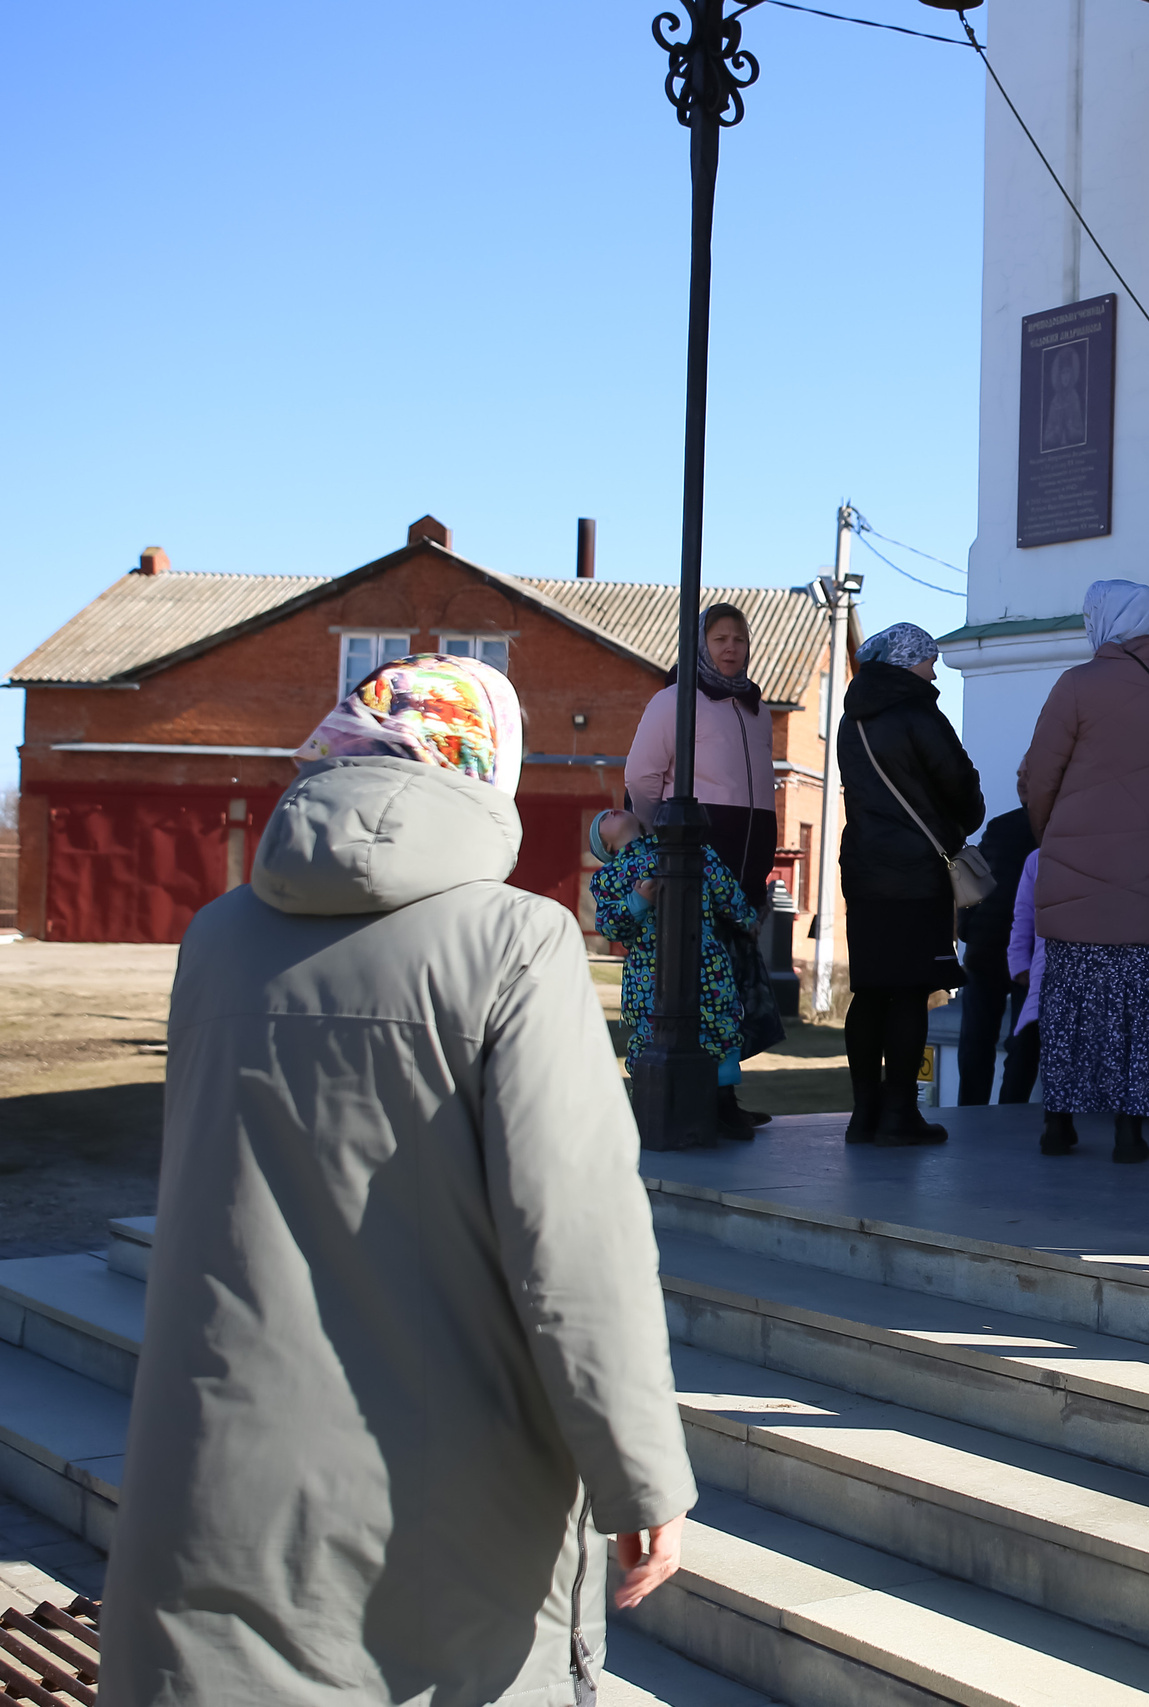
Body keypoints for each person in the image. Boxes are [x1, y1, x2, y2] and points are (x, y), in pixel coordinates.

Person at [103, 655, 695, 1707]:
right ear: (484, 766)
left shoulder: (216, 936)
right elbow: (575, 1241)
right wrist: (640, 1467)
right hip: (439, 1502)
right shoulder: (517, 942)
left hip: (211, 1475)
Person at [1017, 580, 1149, 1161]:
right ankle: (1130, 1133)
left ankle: (1059, 1124)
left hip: (1075, 872)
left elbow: (1037, 778)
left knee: (1071, 1003)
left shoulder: (1076, 685)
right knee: (1140, 1009)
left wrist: (1056, 838)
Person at [627, 602, 779, 1128]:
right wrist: (668, 845)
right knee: (702, 989)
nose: (731, 647)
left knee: (734, 989)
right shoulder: (674, 701)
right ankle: (701, 1103)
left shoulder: (758, 710)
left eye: (739, 638)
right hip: (697, 868)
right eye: (720, 639)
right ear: (700, 645)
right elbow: (642, 779)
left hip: (747, 869)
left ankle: (725, 1100)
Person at [837, 621, 984, 1145]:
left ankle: (862, 1114)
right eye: (928, 660)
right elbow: (959, 781)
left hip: (863, 869)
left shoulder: (850, 718)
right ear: (906, 662)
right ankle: (899, 1114)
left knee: (871, 990)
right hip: (916, 872)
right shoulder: (919, 711)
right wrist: (962, 819)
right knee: (910, 991)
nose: (933, 670)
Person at [588, 806, 762, 1141]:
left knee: (718, 1023)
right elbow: (609, 925)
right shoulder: (608, 876)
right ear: (607, 849)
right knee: (653, 1031)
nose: (609, 813)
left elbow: (724, 889)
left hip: (703, 958)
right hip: (648, 972)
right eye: (600, 823)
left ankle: (724, 1106)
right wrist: (638, 900)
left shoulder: (697, 852)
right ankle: (652, 1104)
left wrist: (746, 917)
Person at [956, 805, 1037, 1104]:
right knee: (1021, 1042)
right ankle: (1008, 1112)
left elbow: (975, 876)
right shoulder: (1054, 828)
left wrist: (969, 928)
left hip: (990, 947)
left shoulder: (1002, 826)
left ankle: (973, 1110)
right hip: (1009, 950)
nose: (1022, 783)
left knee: (983, 1040)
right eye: (1020, 776)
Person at [1004, 845, 1051, 1112]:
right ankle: (1010, 1110)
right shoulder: (1038, 858)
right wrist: (1020, 962)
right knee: (1024, 1045)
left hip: (1057, 969)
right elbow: (1023, 915)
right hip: (1040, 971)